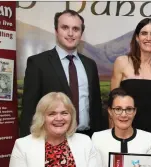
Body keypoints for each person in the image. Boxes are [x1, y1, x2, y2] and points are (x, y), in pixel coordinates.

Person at [20, 9, 104, 138]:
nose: (70, 33)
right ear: (56, 31)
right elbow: (29, 109)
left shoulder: (90, 65)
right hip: (51, 140)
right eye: (65, 27)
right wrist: (27, 143)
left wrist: (99, 138)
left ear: (81, 34)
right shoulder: (38, 63)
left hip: (87, 138)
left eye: (76, 29)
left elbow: (96, 108)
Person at [111, 18, 151, 154]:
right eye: (144, 33)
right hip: (126, 132)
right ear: (137, 37)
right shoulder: (122, 62)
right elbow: (113, 104)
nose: (148, 38)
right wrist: (113, 136)